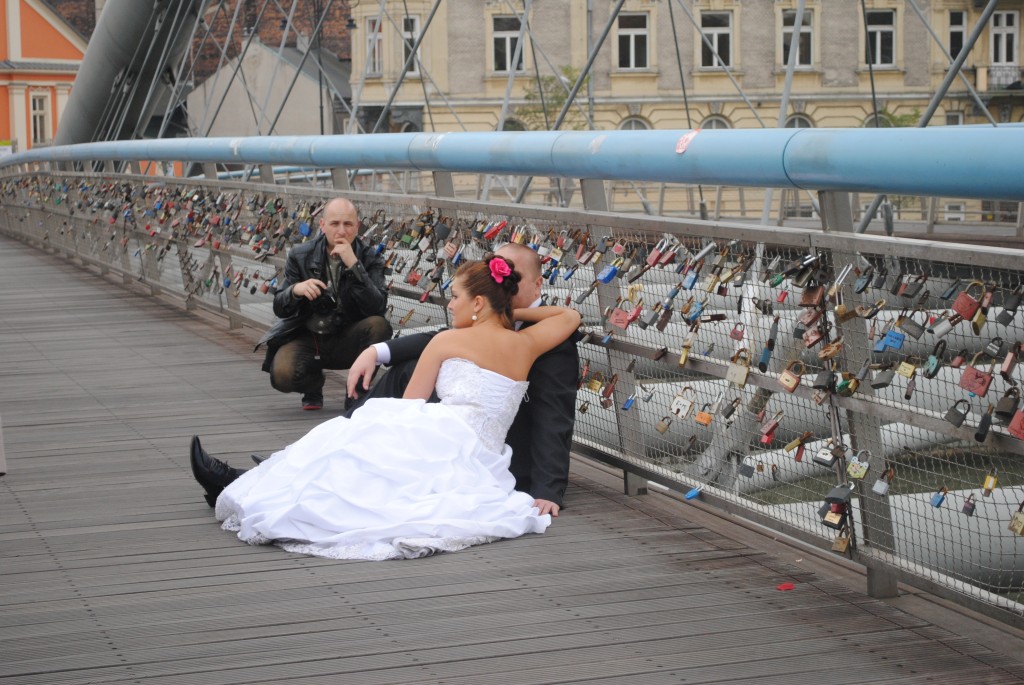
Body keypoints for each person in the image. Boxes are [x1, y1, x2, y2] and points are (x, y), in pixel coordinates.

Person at [190, 255, 582, 560]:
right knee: (357, 448)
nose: (451, 303)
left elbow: (411, 405)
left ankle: (246, 484)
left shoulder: (447, 341)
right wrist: (506, 315)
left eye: (457, 296)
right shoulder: (527, 345)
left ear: (478, 301)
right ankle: (247, 480)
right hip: (485, 456)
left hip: (444, 435)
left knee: (357, 433)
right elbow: (570, 315)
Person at [345, 243, 580, 517]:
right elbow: (440, 339)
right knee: (404, 369)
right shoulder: (515, 336)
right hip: (460, 436)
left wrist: (547, 492)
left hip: (506, 453)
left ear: (537, 284)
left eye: (510, 278)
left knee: (395, 416)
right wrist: (376, 351)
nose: (503, 283)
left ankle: (357, 444)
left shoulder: (551, 342)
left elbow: (553, 416)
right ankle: (353, 432)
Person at [255, 197, 391, 410]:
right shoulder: (300, 255)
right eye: (335, 224)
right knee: (282, 376)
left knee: (379, 326)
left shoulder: (369, 257)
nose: (341, 231)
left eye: (347, 224)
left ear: (357, 226)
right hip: (309, 336)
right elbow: (280, 308)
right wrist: (295, 290)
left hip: (348, 337)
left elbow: (377, 307)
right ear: (322, 225)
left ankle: (356, 392)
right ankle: (313, 383)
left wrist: (355, 266)